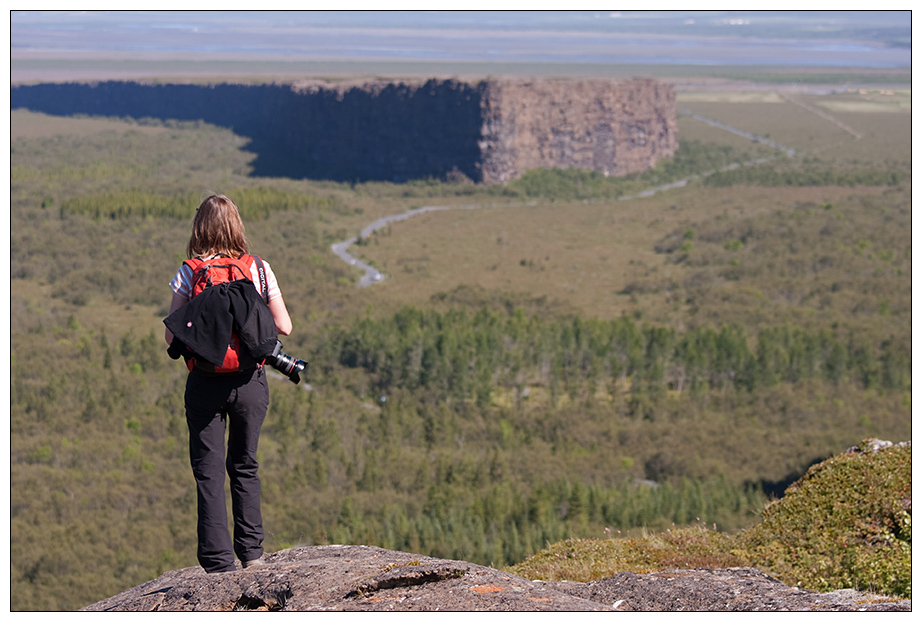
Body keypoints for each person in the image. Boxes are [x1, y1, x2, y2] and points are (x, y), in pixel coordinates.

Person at [164, 194, 292, 573]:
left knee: (208, 471)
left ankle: (219, 563)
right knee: (245, 464)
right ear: (237, 226)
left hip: (205, 382)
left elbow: (172, 338)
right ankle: (252, 554)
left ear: (199, 228)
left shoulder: (189, 271)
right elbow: (284, 326)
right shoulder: (260, 269)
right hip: (251, 382)